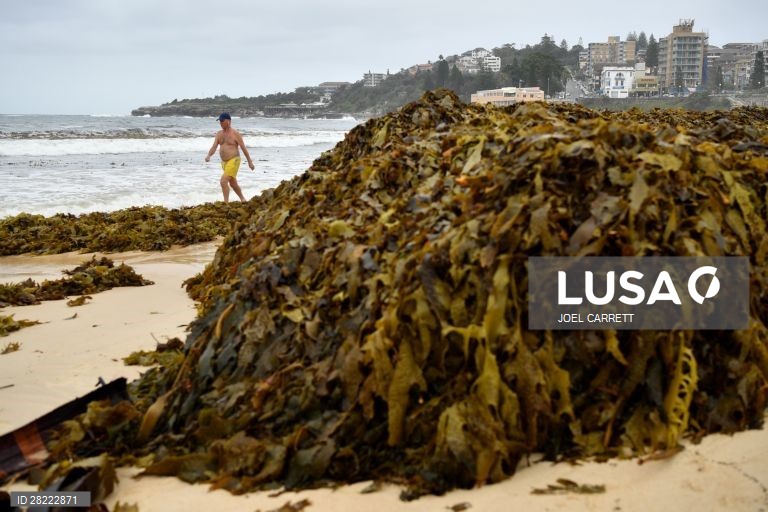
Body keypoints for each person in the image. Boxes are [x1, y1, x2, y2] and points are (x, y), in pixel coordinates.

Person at [205, 112, 255, 203]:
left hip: (234, 160)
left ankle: (226, 203)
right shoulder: (219, 134)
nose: (220, 123)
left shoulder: (235, 134)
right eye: (219, 121)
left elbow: (243, 148)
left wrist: (250, 162)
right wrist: (209, 155)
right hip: (224, 162)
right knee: (232, 183)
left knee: (223, 181)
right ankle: (243, 200)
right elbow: (214, 146)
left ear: (228, 121)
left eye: (222, 121)